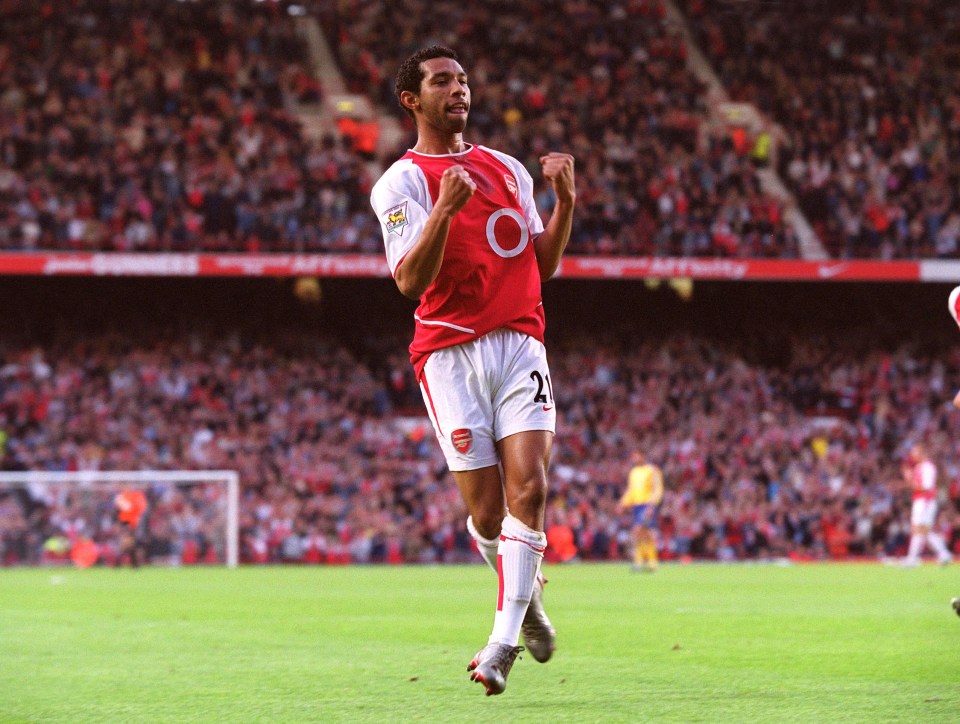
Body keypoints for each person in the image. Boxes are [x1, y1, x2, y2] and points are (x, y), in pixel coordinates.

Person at [370, 45, 576, 696]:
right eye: (441, 82)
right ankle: (531, 607)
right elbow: (409, 281)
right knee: (489, 517)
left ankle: (502, 641)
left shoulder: (508, 170)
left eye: (463, 80)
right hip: (449, 355)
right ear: (413, 101)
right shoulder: (400, 184)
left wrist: (564, 203)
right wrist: (444, 211)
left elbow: (540, 266)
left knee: (531, 493)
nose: (458, 90)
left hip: (519, 342)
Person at [901, 443, 952, 567]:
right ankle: (944, 554)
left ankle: (913, 558)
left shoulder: (927, 467)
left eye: (914, 452)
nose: (912, 455)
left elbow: (926, 487)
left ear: (922, 453)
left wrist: (909, 480)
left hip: (925, 501)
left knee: (918, 529)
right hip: (921, 500)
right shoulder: (919, 467)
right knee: (923, 530)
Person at [618, 450, 664, 571]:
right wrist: (623, 503)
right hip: (637, 506)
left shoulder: (652, 470)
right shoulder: (633, 472)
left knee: (639, 531)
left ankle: (641, 561)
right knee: (644, 534)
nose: (634, 459)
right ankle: (650, 562)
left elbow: (657, 489)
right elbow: (631, 490)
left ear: (643, 456)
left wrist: (652, 505)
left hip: (647, 504)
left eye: (636, 456)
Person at [114, 487, 148, 568]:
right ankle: (131, 564)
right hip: (130, 526)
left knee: (131, 546)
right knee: (130, 545)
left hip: (133, 527)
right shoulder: (126, 505)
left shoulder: (134, 505)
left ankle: (129, 563)